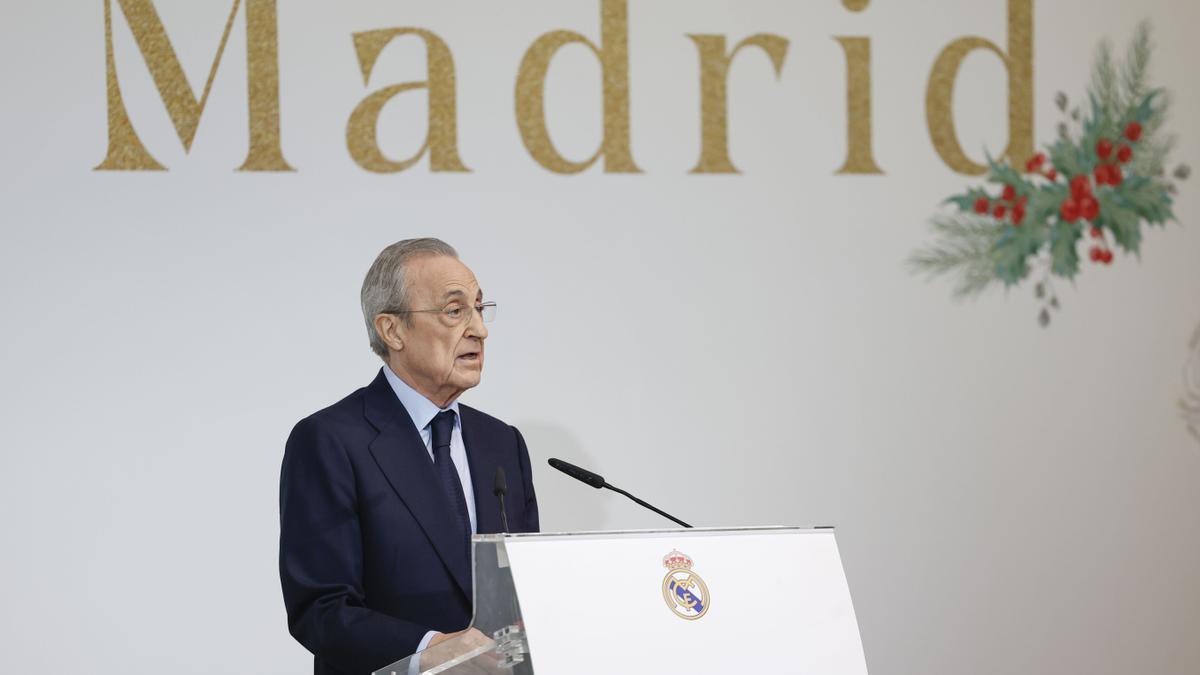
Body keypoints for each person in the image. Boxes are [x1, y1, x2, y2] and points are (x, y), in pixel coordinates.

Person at [279, 238, 539, 674]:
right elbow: (320, 609)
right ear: (392, 330)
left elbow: (524, 589)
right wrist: (430, 649)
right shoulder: (330, 440)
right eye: (455, 312)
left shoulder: (502, 443)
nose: (479, 328)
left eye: (479, 308)